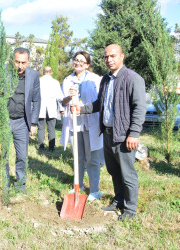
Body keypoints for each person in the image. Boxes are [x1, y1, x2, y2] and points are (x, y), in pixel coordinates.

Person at [73, 44, 146, 220]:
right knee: (114, 171)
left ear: (122, 56)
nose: (109, 59)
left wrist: (134, 133)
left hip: (124, 136)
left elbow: (139, 108)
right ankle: (119, 200)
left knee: (127, 173)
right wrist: (81, 109)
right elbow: (100, 104)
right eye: (106, 57)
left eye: (113, 56)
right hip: (107, 133)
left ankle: (130, 209)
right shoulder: (105, 80)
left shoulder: (132, 79)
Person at [61, 51, 103, 202]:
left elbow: (100, 101)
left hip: (91, 122)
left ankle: (95, 190)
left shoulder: (95, 79)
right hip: (75, 124)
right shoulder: (67, 80)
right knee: (78, 157)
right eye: (76, 60)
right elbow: (62, 102)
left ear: (87, 65)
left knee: (92, 158)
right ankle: (78, 185)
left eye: (82, 61)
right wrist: (69, 97)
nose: (78, 63)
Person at [6, 47, 41, 192]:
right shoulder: (4, 72)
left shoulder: (33, 75)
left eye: (23, 63)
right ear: (12, 61)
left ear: (28, 62)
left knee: (22, 156)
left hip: (22, 121)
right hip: (5, 120)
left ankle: (20, 185)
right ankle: (5, 184)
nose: (20, 66)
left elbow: (37, 100)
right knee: (3, 155)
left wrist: (33, 123)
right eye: (17, 62)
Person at [38, 66, 63, 152]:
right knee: (51, 128)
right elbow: (59, 97)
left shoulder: (38, 81)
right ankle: (51, 148)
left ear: (43, 72)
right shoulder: (55, 82)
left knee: (41, 128)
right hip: (51, 108)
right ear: (51, 72)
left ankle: (41, 147)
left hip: (40, 108)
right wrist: (61, 108)